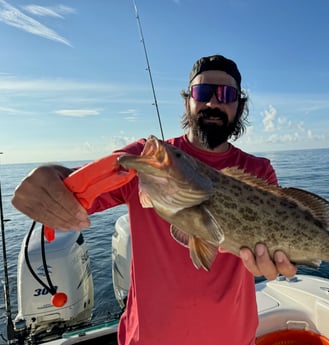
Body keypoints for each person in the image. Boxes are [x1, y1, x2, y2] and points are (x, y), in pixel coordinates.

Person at [12, 55, 296, 345]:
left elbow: (273, 240)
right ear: (188, 101)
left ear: (239, 105)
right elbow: (80, 187)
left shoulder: (258, 171)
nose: (213, 103)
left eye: (226, 94)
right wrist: (50, 179)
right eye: (202, 93)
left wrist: (275, 260)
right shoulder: (146, 159)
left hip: (233, 337)